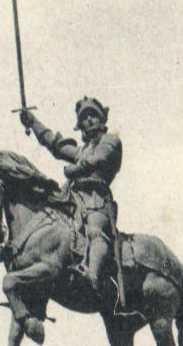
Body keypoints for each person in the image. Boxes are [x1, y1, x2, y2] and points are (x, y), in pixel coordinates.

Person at [20, 95, 122, 305]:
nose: (89, 120)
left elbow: (99, 159)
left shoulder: (110, 140)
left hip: (96, 199)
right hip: (73, 198)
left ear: (102, 119)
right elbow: (57, 146)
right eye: (85, 118)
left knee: (95, 233)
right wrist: (33, 122)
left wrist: (75, 169)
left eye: (93, 115)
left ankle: (92, 276)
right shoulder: (82, 150)